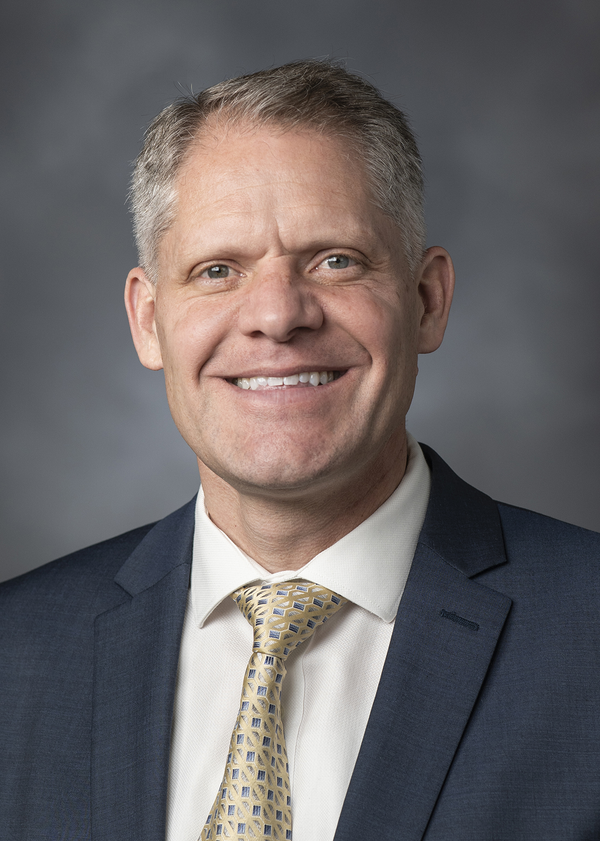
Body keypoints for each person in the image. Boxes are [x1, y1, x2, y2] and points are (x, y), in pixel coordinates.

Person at [1, 60, 599, 841]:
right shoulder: (16, 657)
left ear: (427, 300)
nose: (278, 315)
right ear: (149, 321)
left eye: (334, 260)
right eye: (219, 270)